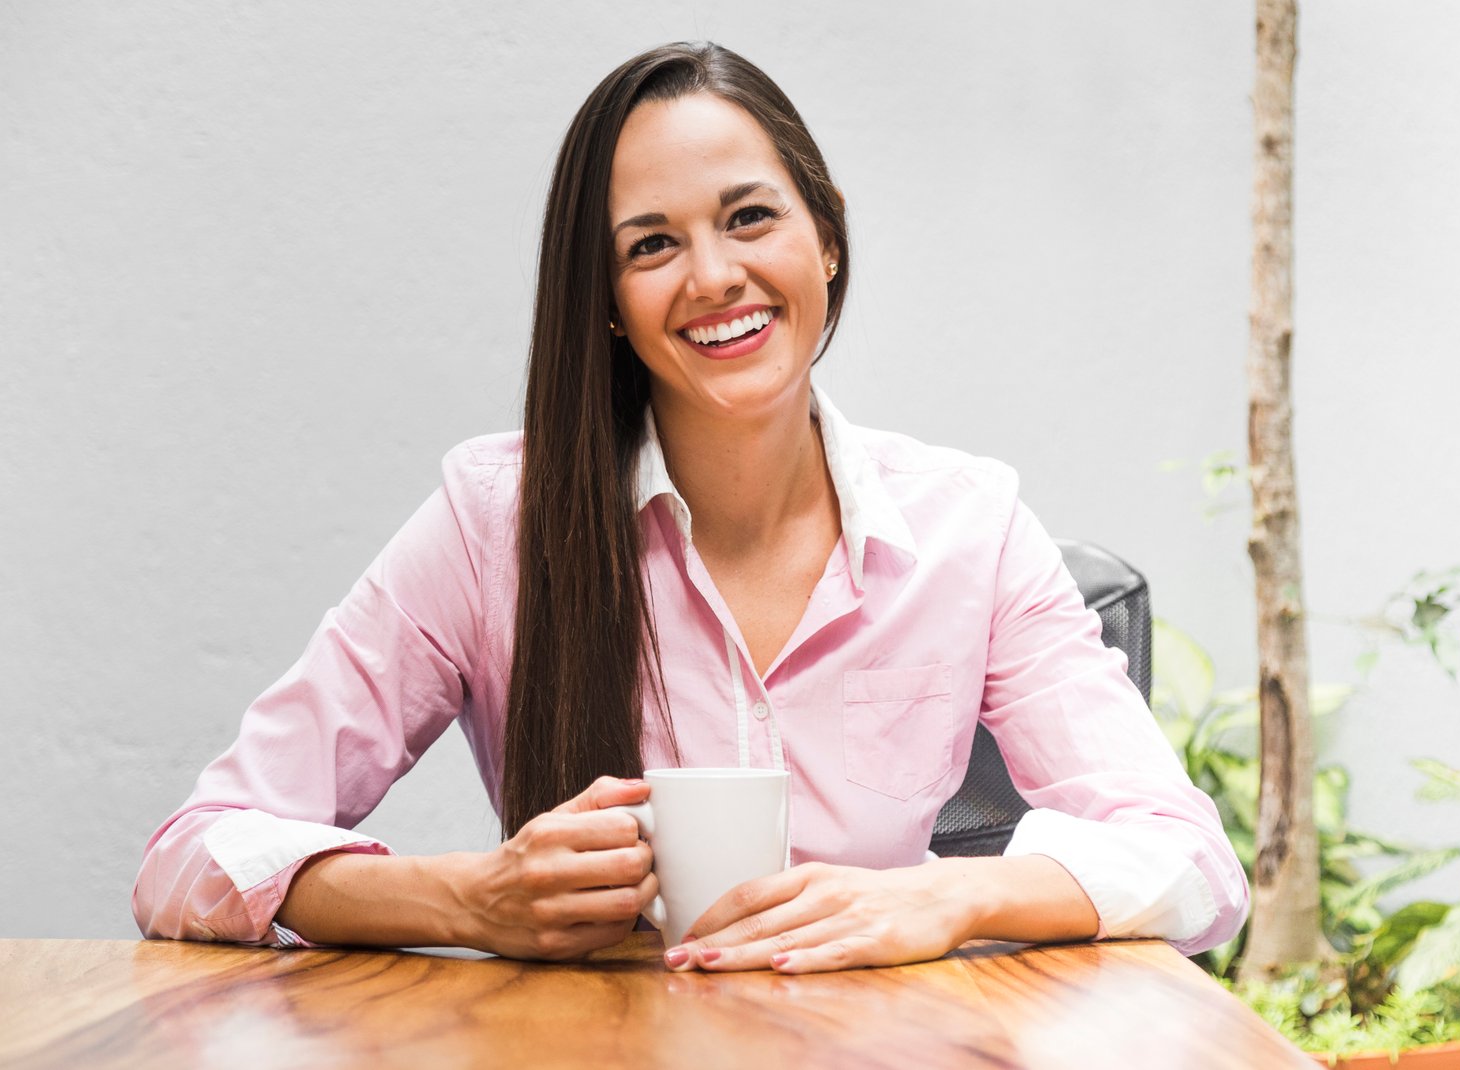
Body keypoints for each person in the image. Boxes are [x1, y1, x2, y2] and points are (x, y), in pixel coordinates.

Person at [133, 41, 1248, 974]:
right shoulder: (493, 521)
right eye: (651, 244)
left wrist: (945, 901)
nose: (713, 275)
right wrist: (468, 898)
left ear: (828, 235)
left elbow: (1188, 862)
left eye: (749, 217)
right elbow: (193, 855)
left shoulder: (970, 526)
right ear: (609, 303)